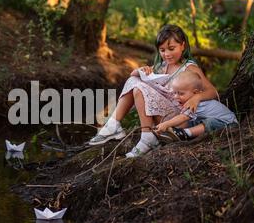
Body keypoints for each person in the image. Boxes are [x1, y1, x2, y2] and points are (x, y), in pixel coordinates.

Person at [88, 24, 219, 158]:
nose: (166, 54)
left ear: (183, 46)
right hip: (164, 116)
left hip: (180, 119)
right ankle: (113, 124)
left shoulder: (189, 68)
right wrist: (142, 70)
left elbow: (213, 92)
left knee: (140, 87)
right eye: (162, 50)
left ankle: (147, 137)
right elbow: (133, 75)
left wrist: (196, 98)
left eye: (171, 48)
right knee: (134, 80)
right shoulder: (162, 67)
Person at [155, 70, 238, 141]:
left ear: (195, 92)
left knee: (209, 123)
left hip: (229, 125)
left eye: (181, 93)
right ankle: (175, 133)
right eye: (175, 93)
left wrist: (166, 124)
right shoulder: (193, 101)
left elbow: (183, 117)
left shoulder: (195, 104)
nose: (176, 97)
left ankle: (186, 133)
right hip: (217, 122)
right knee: (191, 121)